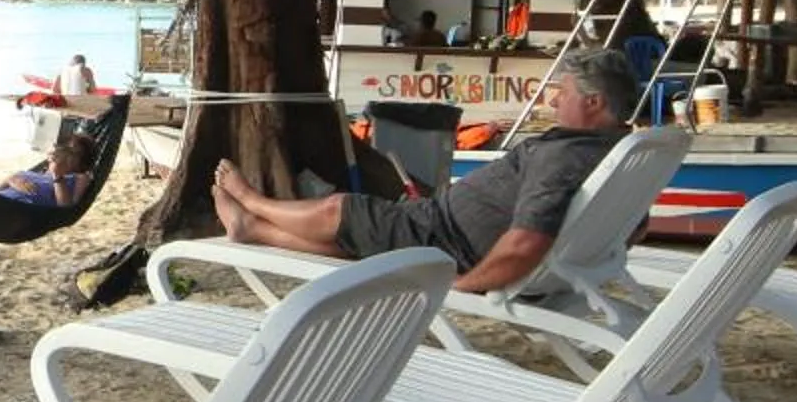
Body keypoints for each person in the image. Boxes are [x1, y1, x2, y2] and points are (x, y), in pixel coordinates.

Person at [208, 45, 640, 294]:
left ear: (593, 102)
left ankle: (252, 201)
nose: (552, 102)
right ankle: (253, 229)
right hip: (443, 230)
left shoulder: (566, 155)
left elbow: (525, 241)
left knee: (339, 208)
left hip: (442, 237)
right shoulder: (624, 149)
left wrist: (462, 287)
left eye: (560, 93)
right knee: (366, 241)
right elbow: (637, 226)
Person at [0, 135, 94, 208]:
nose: (68, 155)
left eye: (75, 153)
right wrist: (11, 179)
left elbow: (66, 209)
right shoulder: (33, 173)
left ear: (82, 162)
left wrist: (57, 175)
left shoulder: (80, 177)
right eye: (67, 150)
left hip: (14, 211)